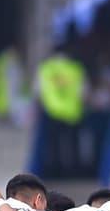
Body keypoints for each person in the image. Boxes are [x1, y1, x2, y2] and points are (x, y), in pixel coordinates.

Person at [35, 44, 87, 179]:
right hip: (72, 113)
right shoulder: (76, 68)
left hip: (52, 112)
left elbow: (37, 91)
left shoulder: (45, 68)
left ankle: (55, 173)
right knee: (73, 146)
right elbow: (84, 91)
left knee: (53, 146)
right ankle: (74, 173)